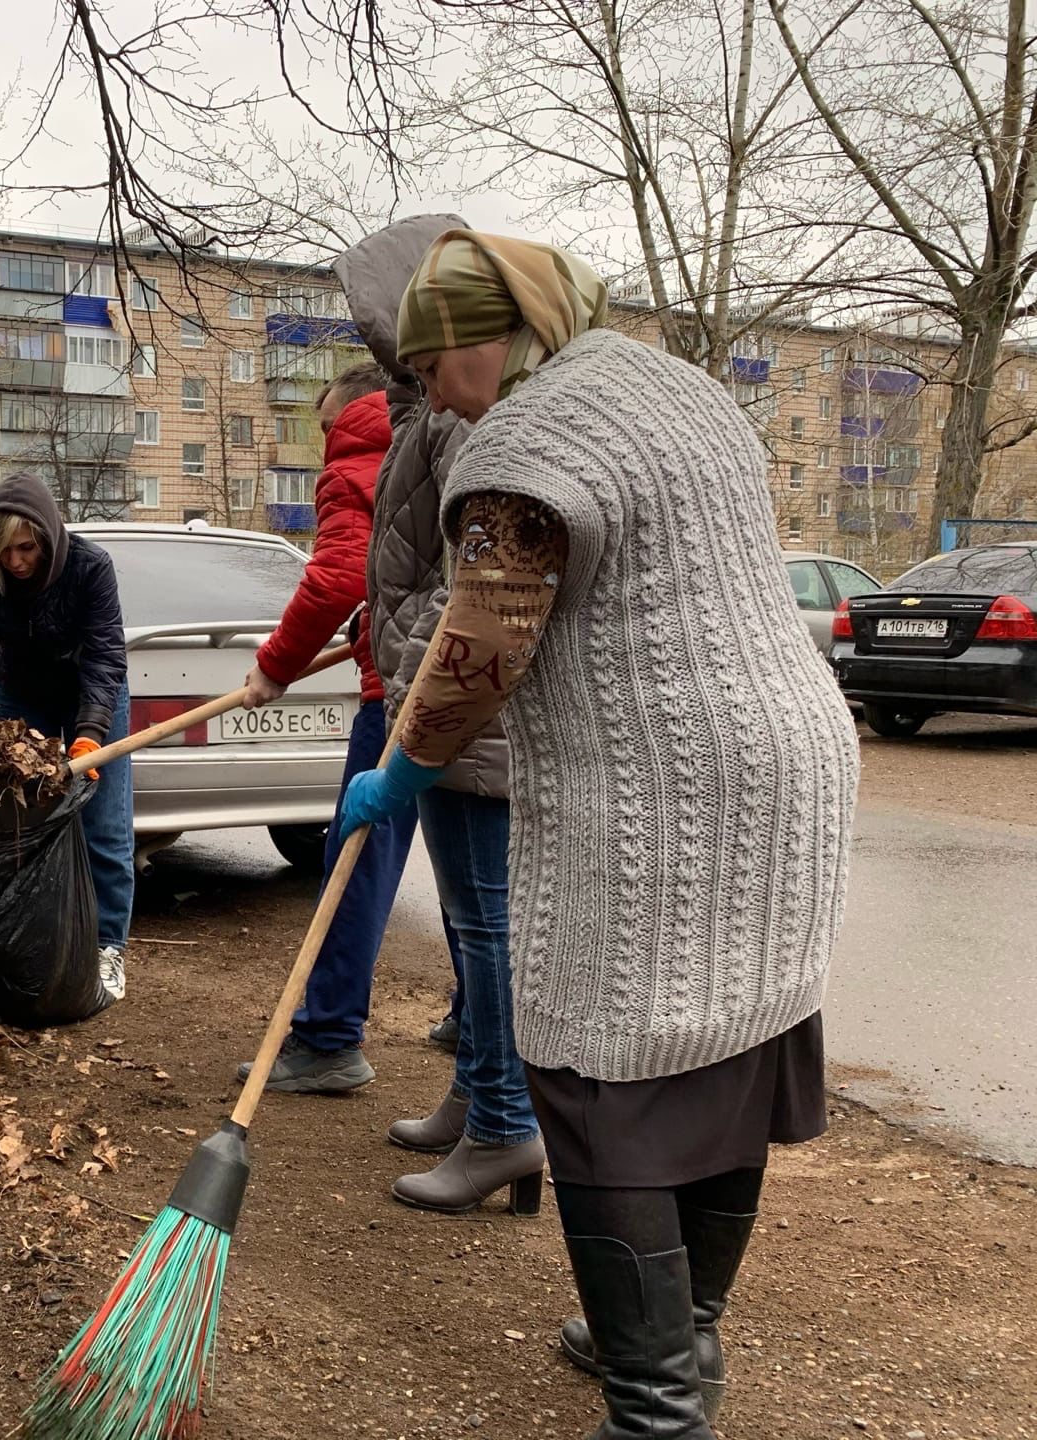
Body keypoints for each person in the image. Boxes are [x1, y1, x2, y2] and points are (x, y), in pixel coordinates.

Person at [341, 229, 858, 1437]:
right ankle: (688, 1333)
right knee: (730, 1043)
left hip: (665, 783)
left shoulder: (525, 442)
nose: (426, 394)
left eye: (427, 368)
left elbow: (480, 652)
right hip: (794, 766)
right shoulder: (681, 388)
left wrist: (403, 769)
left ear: (479, 339)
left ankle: (657, 1404)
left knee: (592, 1067)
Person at [335, 218, 542, 1211]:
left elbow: (477, 592)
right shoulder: (425, 409)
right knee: (472, 928)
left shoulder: (465, 416)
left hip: (466, 712)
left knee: (487, 928)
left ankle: (507, 1122)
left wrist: (409, 676)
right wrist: (377, 624)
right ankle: (478, 1094)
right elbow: (415, 563)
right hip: (435, 693)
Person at [231, 354, 465, 1094]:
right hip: (462, 689)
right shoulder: (445, 438)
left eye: (325, 422)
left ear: (354, 413)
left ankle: (329, 1037)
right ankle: (479, 1014)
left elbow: (333, 577)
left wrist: (274, 665)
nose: (323, 438)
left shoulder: (357, 459)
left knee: (356, 856)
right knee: (465, 866)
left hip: (395, 695)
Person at [0, 474, 134, 1003]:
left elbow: (106, 655)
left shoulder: (90, 567)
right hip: (22, 692)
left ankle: (108, 947)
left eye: (26, 548)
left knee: (105, 822)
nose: (16, 562)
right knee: (19, 820)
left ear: (46, 536)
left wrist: (91, 734)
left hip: (92, 690)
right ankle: (30, 935)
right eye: (4, 552)